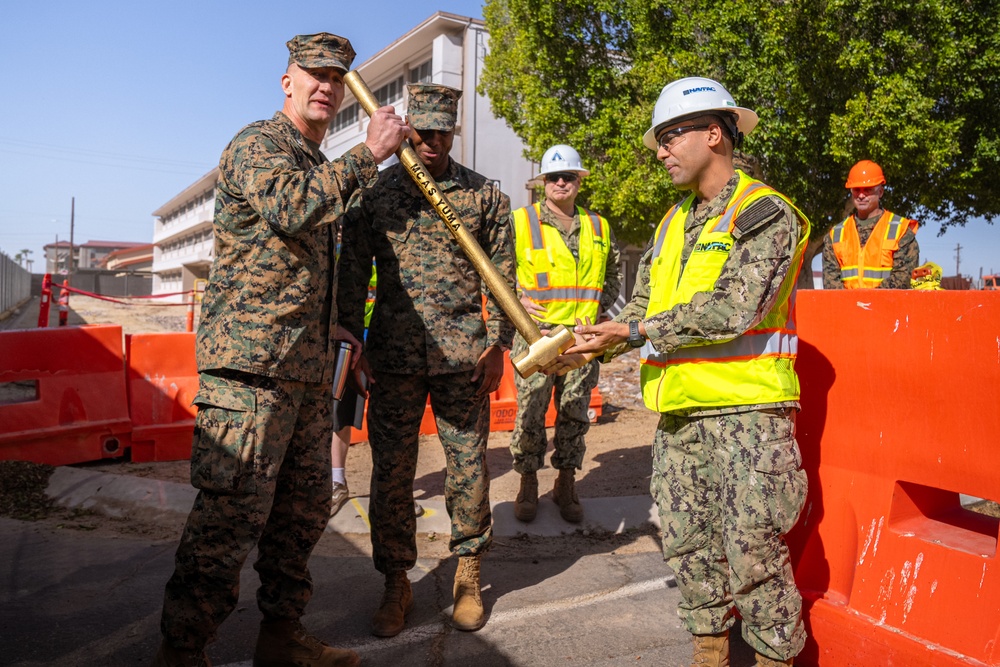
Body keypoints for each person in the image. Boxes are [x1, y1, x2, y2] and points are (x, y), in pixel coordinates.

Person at [153, 33, 408, 667]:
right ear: (286, 82)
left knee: (299, 517)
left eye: (336, 76)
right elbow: (293, 208)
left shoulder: (316, 160)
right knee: (228, 521)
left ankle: (281, 636)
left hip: (302, 369)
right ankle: (181, 651)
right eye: (312, 73)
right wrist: (367, 157)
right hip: (248, 375)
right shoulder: (258, 145)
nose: (325, 84)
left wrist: (333, 328)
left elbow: (296, 269)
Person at [562, 77, 811, 666]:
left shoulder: (763, 212)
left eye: (670, 137)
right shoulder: (673, 223)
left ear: (714, 134)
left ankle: (775, 658)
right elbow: (642, 309)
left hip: (748, 415)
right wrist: (596, 341)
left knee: (753, 551)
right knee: (689, 543)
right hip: (680, 417)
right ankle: (710, 650)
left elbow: (734, 307)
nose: (660, 151)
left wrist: (637, 331)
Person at [338, 83, 515, 638]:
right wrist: (353, 343)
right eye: (424, 132)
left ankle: (468, 573)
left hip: (464, 358)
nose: (433, 143)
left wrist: (498, 344)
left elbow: (504, 278)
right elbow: (351, 273)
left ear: (453, 132)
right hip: (393, 357)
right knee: (391, 474)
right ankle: (396, 580)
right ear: (409, 129)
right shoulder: (376, 194)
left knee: (467, 469)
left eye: (444, 133)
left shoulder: (484, 196)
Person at [509, 144, 621, 523]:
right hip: (535, 337)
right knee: (530, 412)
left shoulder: (599, 226)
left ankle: (565, 482)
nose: (561, 182)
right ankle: (527, 482)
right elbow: (497, 274)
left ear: (579, 181)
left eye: (568, 177)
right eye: (554, 177)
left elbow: (614, 275)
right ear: (543, 182)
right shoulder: (520, 222)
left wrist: (597, 313)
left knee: (575, 411)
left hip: (581, 341)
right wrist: (517, 303)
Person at [329, 265, 423, 518]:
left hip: (388, 337)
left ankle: (396, 492)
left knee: (392, 419)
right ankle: (337, 481)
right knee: (341, 410)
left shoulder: (387, 233)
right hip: (351, 335)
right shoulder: (339, 242)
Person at [822, 160, 919, 289]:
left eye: (867, 189)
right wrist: (853, 305)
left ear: (880, 192)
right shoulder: (836, 234)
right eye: (857, 190)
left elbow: (904, 278)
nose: (861, 195)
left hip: (888, 307)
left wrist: (868, 303)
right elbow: (831, 283)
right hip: (848, 308)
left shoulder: (901, 231)